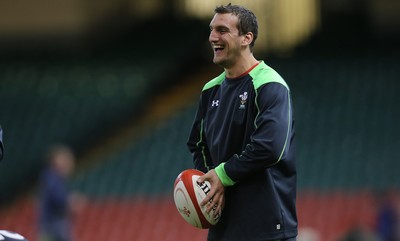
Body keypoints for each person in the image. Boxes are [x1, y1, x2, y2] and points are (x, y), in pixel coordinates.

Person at [187, 4, 297, 241]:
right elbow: (198, 145)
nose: (212, 37)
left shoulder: (270, 84)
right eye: (211, 30)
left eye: (222, 30)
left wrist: (222, 176)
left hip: (266, 229)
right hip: (223, 229)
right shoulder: (210, 90)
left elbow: (270, 147)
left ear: (247, 38)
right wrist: (210, 184)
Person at [38, 144, 83, 241]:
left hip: (54, 224)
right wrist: (71, 201)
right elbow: (57, 198)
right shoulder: (51, 177)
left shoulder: (56, 178)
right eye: (65, 159)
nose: (69, 163)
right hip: (52, 224)